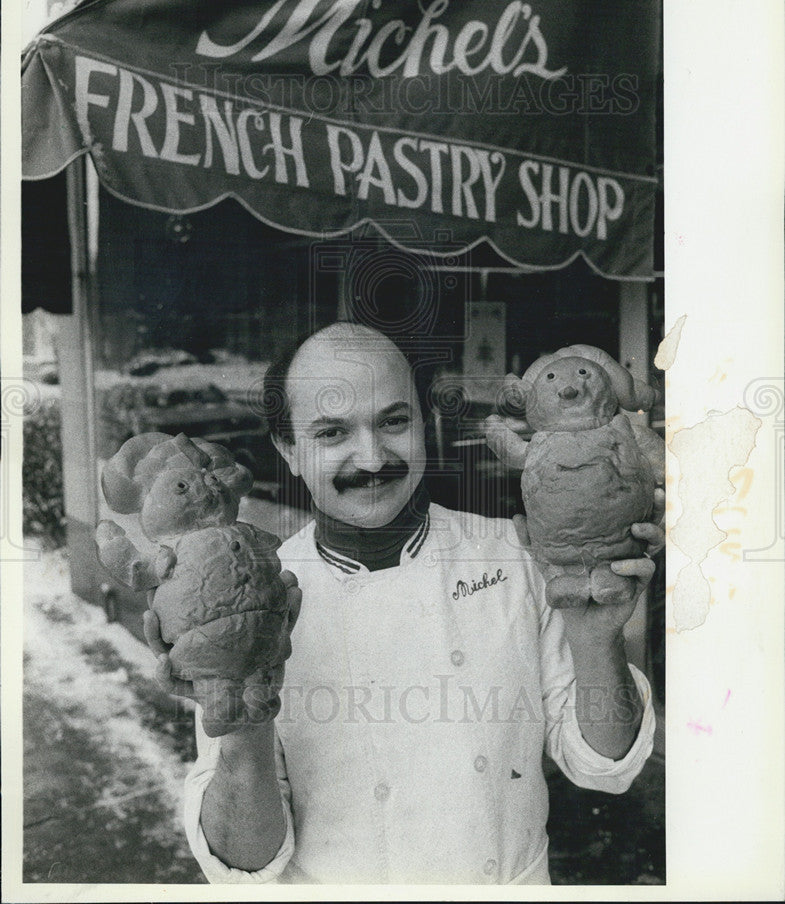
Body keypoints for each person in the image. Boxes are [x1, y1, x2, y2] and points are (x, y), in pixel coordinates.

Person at [145, 322, 663, 885]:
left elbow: (603, 766)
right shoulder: (249, 601)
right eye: (332, 433)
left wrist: (595, 639)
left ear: (425, 424)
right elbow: (245, 864)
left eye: (393, 421)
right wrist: (244, 733)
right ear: (287, 450)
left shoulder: (514, 555)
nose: (371, 459)